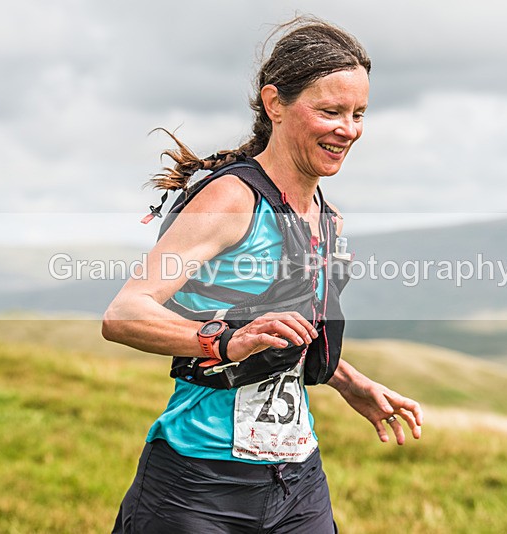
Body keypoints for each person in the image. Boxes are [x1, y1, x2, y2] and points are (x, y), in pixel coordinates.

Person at [102, 17, 423, 533]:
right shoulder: (232, 200)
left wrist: (347, 380)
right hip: (196, 483)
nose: (349, 129)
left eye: (359, 113)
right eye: (330, 111)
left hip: (297, 481)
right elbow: (124, 313)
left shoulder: (329, 218)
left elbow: (282, 331)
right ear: (275, 103)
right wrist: (225, 341)